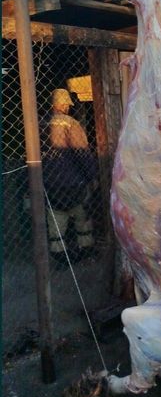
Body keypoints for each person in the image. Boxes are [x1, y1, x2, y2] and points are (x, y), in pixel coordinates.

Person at [43, 88, 97, 267]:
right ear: (65, 105)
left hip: (50, 184)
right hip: (74, 183)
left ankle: (60, 256)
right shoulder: (71, 124)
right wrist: (92, 176)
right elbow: (82, 153)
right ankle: (86, 251)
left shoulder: (41, 125)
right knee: (82, 216)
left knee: (56, 219)